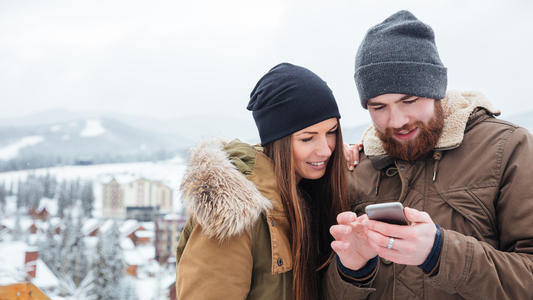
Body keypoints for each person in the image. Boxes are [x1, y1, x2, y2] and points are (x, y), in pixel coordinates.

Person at [325, 10, 533, 300]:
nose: (396, 121)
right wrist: (353, 270)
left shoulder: (509, 148)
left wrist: (439, 252)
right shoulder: (358, 168)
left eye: (408, 100)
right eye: (378, 107)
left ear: (435, 90)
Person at [176, 62, 349, 299]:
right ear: (279, 142)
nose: (326, 150)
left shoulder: (311, 191)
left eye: (331, 133)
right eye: (307, 138)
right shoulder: (234, 214)